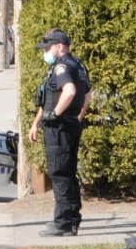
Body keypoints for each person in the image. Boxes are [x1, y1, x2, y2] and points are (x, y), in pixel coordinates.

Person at [28, 28, 93, 237]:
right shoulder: (78, 65)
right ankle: (72, 219)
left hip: (59, 127)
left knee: (59, 173)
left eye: (48, 47)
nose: (45, 51)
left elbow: (70, 91)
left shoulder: (62, 66)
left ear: (59, 46)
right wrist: (77, 116)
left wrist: (55, 114)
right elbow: (88, 95)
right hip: (71, 124)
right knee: (69, 172)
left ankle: (63, 222)